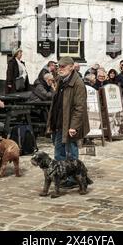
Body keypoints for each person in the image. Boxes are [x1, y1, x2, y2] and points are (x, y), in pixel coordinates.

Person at [46, 56, 89, 187]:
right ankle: (61, 176)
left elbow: (79, 107)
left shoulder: (78, 83)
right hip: (59, 122)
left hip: (70, 124)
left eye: (63, 66)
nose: (60, 69)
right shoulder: (61, 80)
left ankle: (74, 179)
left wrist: (74, 126)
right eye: (59, 66)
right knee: (58, 151)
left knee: (71, 151)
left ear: (71, 67)